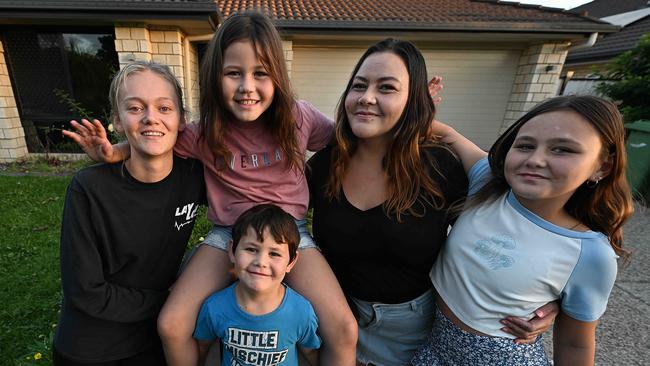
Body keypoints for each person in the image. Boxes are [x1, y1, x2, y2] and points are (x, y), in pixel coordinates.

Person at [63, 11, 357, 366]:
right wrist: (114, 153)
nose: (247, 86)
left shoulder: (299, 118)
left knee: (343, 329)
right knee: (172, 324)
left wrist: (428, 129)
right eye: (234, 73)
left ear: (277, 77)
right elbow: (159, 137)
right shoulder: (205, 132)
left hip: (289, 234)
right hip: (228, 236)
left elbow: (348, 136)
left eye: (260, 74)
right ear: (215, 77)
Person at [306, 38, 556, 366]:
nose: (367, 98)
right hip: (332, 317)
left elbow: (520, 216)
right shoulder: (326, 164)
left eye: (387, 88)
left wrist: (545, 300)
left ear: (414, 101)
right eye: (359, 85)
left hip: (412, 330)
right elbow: (274, 222)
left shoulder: (439, 167)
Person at [412, 95, 634, 365]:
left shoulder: (591, 254)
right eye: (526, 145)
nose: (535, 160)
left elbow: (574, 344)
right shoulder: (486, 183)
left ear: (602, 166)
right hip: (433, 349)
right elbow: (446, 133)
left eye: (562, 149)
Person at [54, 61, 205, 365]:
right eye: (135, 108)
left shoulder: (194, 178)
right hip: (95, 349)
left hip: (159, 338)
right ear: (117, 121)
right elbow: (86, 292)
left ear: (181, 120)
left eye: (164, 108)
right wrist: (174, 300)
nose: (151, 118)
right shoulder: (89, 188)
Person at [193, 204, 320, 366]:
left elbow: (310, 353)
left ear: (291, 261)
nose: (261, 262)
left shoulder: (302, 312)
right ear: (232, 250)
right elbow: (202, 346)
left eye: (274, 253)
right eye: (251, 249)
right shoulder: (215, 307)